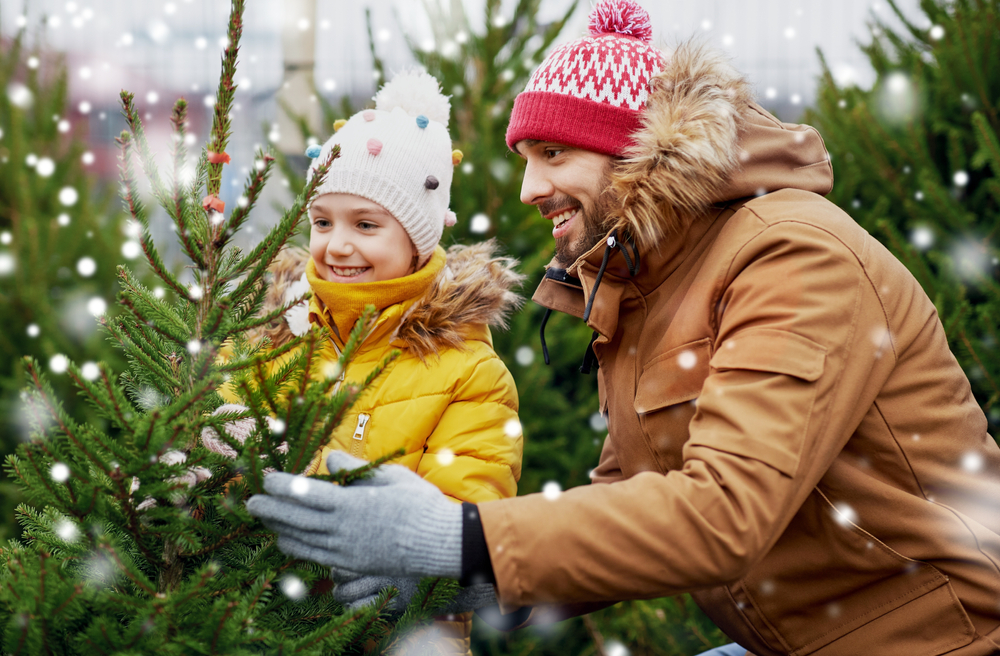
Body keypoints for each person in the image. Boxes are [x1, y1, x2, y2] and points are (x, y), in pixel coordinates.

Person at [246, 1, 1000, 654]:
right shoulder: (647, 282)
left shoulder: (793, 257)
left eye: (552, 154)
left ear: (636, 156)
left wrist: (460, 540)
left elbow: (723, 512)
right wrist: (470, 587)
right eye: (524, 157)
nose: (530, 187)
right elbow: (628, 493)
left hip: (939, 639)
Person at [210, 70, 524, 655]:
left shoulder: (468, 373)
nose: (338, 245)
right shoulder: (272, 334)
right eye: (323, 221)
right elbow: (214, 428)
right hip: (263, 628)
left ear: (418, 239)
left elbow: (473, 525)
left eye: (366, 224)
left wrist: (415, 577)